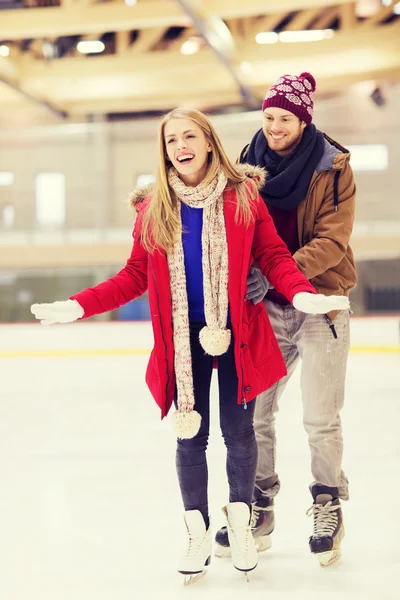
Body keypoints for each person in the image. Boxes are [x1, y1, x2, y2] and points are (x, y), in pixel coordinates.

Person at [31, 107, 349, 582]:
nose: (179, 146)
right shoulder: (154, 206)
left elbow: (274, 256)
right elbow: (134, 275)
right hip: (183, 341)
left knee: (240, 432)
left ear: (208, 142)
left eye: (188, 136)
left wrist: (300, 293)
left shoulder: (242, 196)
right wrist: (80, 306)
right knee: (190, 435)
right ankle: (196, 530)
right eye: (170, 140)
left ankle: (241, 522)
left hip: (237, 333)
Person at [214, 73, 357, 568]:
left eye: (285, 119)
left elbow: (332, 240)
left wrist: (279, 273)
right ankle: (260, 503)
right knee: (255, 413)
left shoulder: (333, 167)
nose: (275, 127)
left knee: (320, 418)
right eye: (269, 117)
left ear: (304, 119)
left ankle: (327, 502)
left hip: (322, 300)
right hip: (266, 308)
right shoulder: (243, 166)